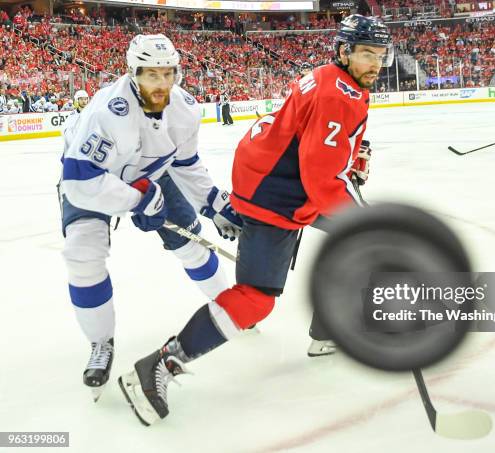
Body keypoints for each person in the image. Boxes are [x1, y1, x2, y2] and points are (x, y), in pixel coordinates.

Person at [118, 14, 393, 426]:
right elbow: (321, 182)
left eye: (380, 54)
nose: (375, 62)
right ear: (343, 52)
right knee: (256, 298)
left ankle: (329, 328)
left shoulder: (330, 78)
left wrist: (350, 158)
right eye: (366, 53)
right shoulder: (339, 95)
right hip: (276, 196)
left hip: (269, 178)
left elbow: (314, 142)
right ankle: (157, 367)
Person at [59, 34, 242, 401]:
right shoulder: (107, 112)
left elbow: (186, 165)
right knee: (82, 255)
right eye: (151, 75)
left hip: (152, 176)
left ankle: (229, 304)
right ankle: (101, 343)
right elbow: (80, 182)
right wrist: (137, 200)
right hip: (96, 179)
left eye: (167, 74)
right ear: (132, 73)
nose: (161, 84)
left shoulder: (185, 109)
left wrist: (214, 203)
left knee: (189, 244)